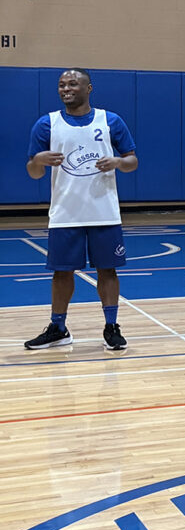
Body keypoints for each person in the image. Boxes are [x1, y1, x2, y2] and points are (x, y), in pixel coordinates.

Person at [24, 68, 138, 352]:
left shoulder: (110, 120)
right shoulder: (46, 124)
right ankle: (58, 327)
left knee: (107, 270)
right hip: (65, 212)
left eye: (73, 84)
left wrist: (118, 163)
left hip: (104, 211)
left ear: (88, 88)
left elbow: (132, 160)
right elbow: (33, 173)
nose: (66, 89)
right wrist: (38, 160)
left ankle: (111, 327)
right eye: (62, 85)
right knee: (62, 273)